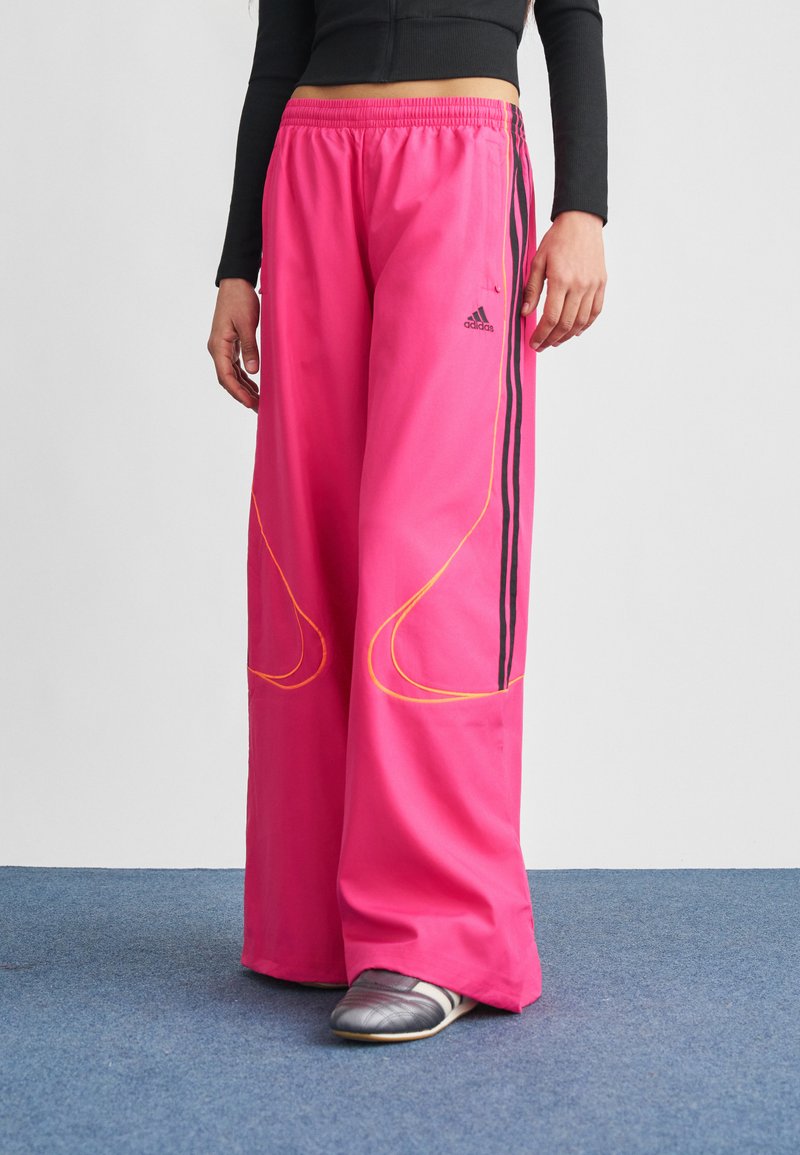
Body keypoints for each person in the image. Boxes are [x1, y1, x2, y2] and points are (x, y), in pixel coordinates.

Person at [207, 0, 608, 1045]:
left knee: (433, 546)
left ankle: (436, 938)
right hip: (311, 157)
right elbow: (275, 54)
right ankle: (315, 921)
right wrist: (236, 265)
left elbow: (571, 11)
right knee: (308, 543)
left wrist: (585, 206)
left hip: (460, 153)